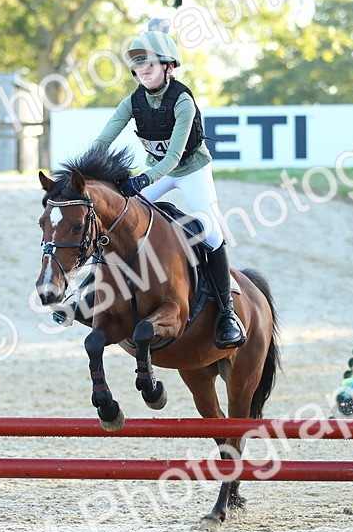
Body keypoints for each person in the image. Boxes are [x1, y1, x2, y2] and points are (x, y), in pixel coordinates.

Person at [90, 23, 245, 349]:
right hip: (155, 170)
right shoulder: (132, 102)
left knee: (212, 231)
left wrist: (145, 179)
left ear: (168, 66)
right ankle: (100, 290)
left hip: (190, 170)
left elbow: (174, 156)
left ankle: (227, 313)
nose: (142, 71)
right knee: (120, 218)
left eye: (149, 64)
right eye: (138, 66)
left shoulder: (182, 101)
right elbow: (103, 140)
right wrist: (84, 170)